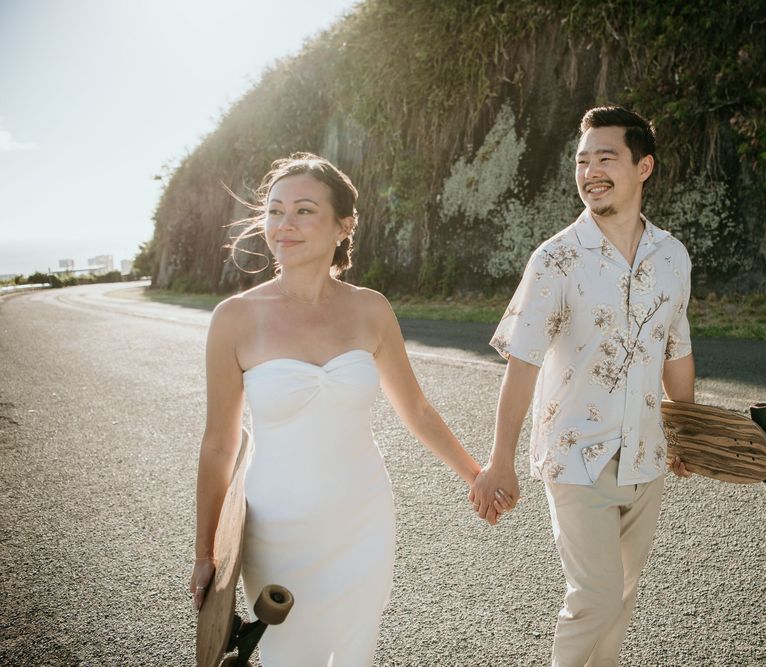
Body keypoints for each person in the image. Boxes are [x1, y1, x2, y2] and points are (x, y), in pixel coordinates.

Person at [188, 153, 511, 665]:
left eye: (303, 211)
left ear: (344, 226)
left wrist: (475, 475)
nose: (284, 225)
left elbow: (418, 410)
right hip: (277, 526)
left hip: (363, 517)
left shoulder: (370, 308)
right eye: (274, 211)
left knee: (356, 653)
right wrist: (207, 555)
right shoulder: (235, 318)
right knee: (290, 655)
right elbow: (219, 444)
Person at [470, 106, 695, 666]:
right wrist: (500, 461)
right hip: (576, 456)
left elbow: (678, 349)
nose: (591, 170)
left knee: (620, 600)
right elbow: (521, 363)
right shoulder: (556, 259)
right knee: (593, 598)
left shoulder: (672, 256)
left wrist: (687, 431)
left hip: (647, 454)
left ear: (643, 167)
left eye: (606, 158)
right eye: (582, 160)